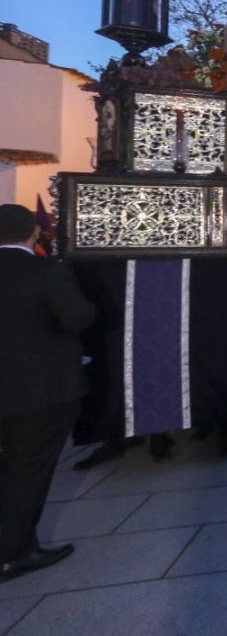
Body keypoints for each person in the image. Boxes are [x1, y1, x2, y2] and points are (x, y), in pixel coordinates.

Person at [0, 204, 96, 582]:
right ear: (35, 233)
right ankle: (15, 552)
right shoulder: (46, 271)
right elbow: (78, 317)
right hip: (40, 390)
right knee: (29, 470)